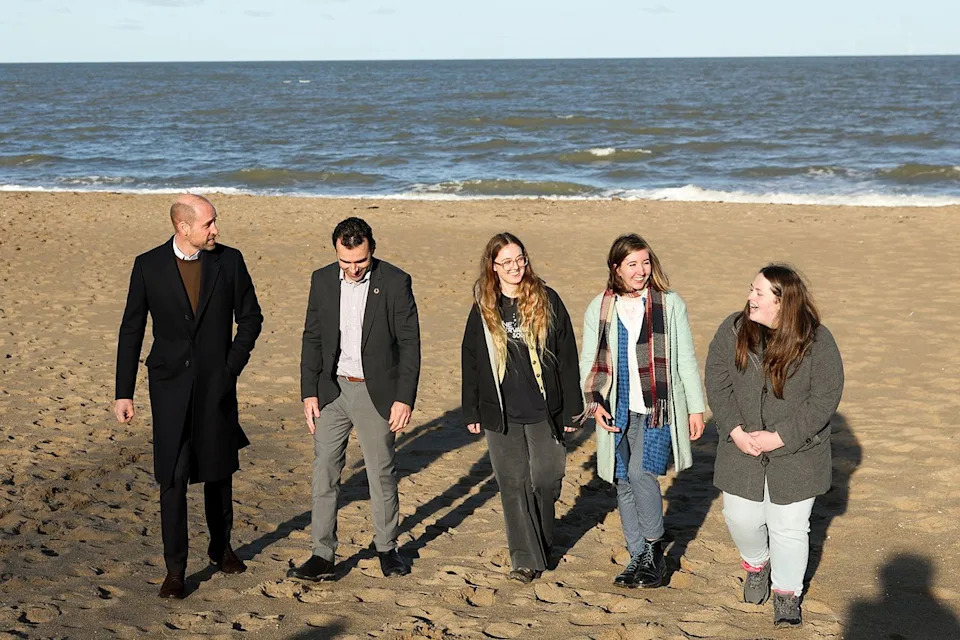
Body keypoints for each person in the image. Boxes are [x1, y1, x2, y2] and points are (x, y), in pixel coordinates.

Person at [114, 194, 263, 599]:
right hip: (168, 388)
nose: (216, 229)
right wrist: (122, 393)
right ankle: (175, 569)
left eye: (215, 222)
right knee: (172, 478)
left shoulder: (229, 261)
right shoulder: (148, 265)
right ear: (184, 227)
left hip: (217, 383)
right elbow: (132, 330)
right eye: (209, 223)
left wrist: (230, 366)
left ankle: (221, 548)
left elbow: (251, 318)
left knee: (218, 470)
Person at [705, 264, 843, 629]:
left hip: (799, 450)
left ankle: (786, 594)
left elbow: (824, 398)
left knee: (789, 526)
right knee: (741, 518)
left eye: (759, 293)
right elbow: (717, 382)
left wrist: (781, 436)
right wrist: (734, 430)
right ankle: (756, 563)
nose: (750, 297)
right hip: (742, 445)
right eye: (751, 289)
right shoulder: (733, 329)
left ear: (783, 303)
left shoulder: (817, 340)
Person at [291, 217, 420, 581]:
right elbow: (311, 338)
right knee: (325, 473)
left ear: (371, 250)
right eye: (345, 262)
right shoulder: (321, 279)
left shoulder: (395, 282)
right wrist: (308, 392)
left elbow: (409, 345)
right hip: (331, 390)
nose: (351, 269)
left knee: (380, 473)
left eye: (359, 262)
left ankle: (386, 548)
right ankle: (322, 553)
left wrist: (403, 398)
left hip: (376, 393)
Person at [579, 234, 706, 589]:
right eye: (632, 264)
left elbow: (686, 359)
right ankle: (637, 556)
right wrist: (595, 404)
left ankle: (653, 550)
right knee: (622, 479)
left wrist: (695, 407)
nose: (641, 270)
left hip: (657, 407)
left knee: (641, 474)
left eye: (645, 262)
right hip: (617, 407)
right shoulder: (601, 307)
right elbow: (589, 360)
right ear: (616, 268)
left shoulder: (669, 303)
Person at [461, 233, 582, 583]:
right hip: (501, 412)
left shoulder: (548, 300)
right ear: (493, 267)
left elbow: (568, 357)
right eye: (506, 262)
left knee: (546, 479)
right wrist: (472, 410)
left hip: (545, 409)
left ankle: (543, 542)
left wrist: (573, 409)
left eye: (520, 260)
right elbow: (471, 359)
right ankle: (525, 560)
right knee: (513, 485)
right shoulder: (484, 306)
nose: (515, 268)